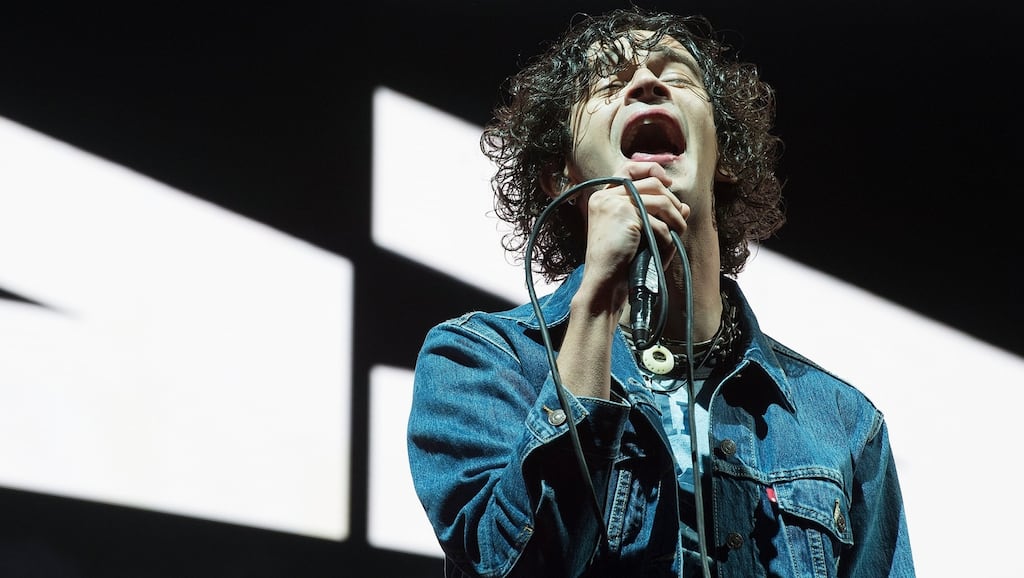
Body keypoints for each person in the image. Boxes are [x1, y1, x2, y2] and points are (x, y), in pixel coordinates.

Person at [407, 7, 915, 577]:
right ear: (562, 176)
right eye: (608, 82)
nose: (647, 83)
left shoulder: (843, 423)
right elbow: (516, 567)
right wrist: (598, 306)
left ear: (725, 157)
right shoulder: (482, 362)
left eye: (676, 77)